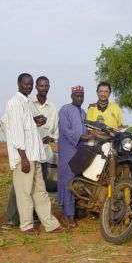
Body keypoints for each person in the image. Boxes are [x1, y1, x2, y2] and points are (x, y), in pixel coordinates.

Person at [3, 73, 64, 235]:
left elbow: (28, 126)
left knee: (40, 192)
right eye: (26, 84)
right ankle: (26, 225)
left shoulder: (28, 102)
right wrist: (23, 158)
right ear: (19, 84)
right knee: (24, 193)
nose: (28, 86)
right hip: (25, 157)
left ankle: (50, 224)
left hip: (36, 155)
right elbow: (16, 132)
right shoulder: (14, 103)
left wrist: (37, 121)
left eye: (30, 84)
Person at [58, 86, 91, 228]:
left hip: (80, 151)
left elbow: (88, 129)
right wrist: (82, 137)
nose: (79, 98)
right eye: (77, 96)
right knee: (67, 181)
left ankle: (77, 210)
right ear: (72, 96)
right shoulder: (65, 109)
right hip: (68, 150)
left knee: (78, 180)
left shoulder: (83, 112)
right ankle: (68, 214)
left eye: (81, 96)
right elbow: (66, 130)